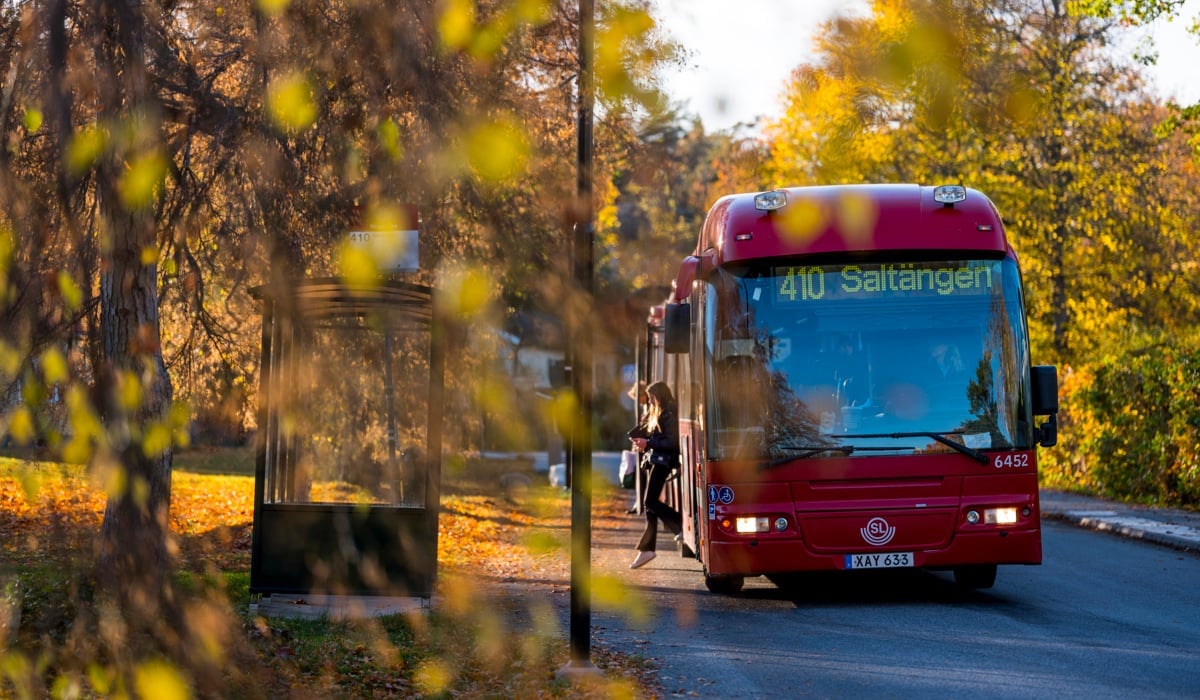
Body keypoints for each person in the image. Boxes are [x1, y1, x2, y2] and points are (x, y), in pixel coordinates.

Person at [628, 381, 683, 569]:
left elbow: (671, 442)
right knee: (650, 507)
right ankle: (647, 549)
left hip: (663, 461)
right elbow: (641, 433)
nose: (650, 401)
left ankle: (679, 525)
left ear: (659, 396)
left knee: (649, 502)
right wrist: (643, 428)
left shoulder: (669, 412)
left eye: (652, 398)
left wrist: (648, 443)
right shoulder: (658, 412)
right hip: (657, 460)